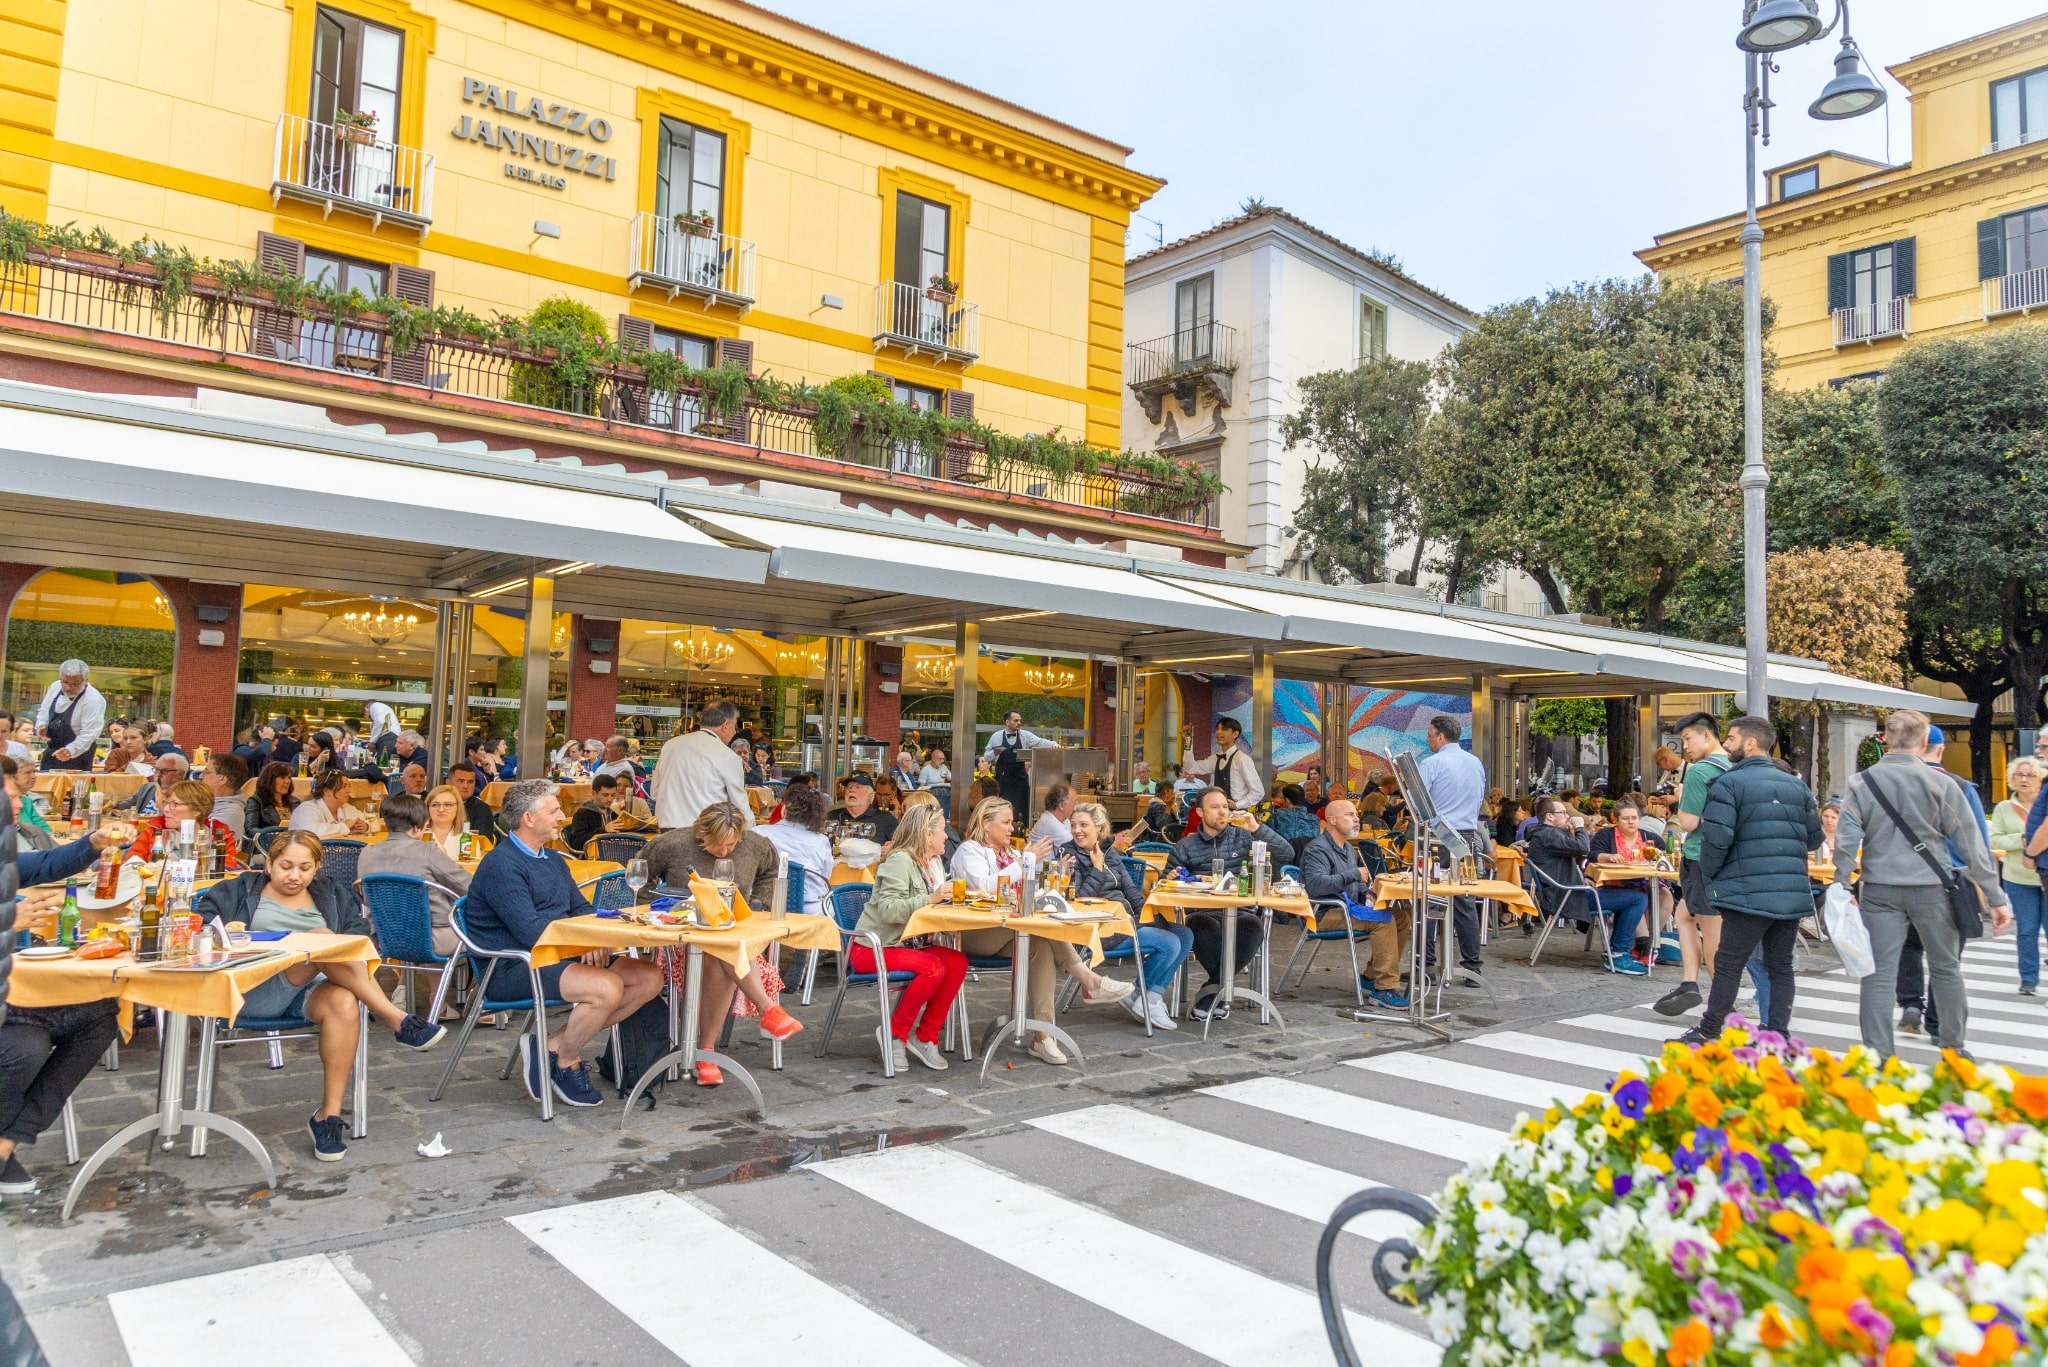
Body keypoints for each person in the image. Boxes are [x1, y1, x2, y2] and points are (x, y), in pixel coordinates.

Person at [196, 831, 447, 1160]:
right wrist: (226, 933)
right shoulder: (237, 890)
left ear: (316, 868)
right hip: (254, 989)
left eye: (304, 867)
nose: (294, 875)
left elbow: (359, 936)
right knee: (318, 939)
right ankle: (398, 1020)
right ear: (268, 864)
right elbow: (200, 926)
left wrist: (330, 939)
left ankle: (327, 1117)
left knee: (343, 998)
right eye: (285, 866)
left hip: (309, 988)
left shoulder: (330, 893)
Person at [463, 781, 667, 1106]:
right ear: (529, 819)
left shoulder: (553, 859)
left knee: (650, 977)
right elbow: (530, 930)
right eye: (554, 810)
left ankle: (551, 1044)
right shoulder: (501, 864)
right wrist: (583, 944)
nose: (562, 816)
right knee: (607, 988)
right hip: (515, 965)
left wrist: (594, 937)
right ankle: (566, 1060)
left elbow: (581, 908)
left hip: (558, 956)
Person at [1833, 709, 2010, 1063]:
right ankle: (1953, 1048)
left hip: (1879, 889)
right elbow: (1971, 842)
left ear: (1885, 738)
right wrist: (1995, 896)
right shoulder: (1942, 784)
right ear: (1925, 741)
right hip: (1932, 888)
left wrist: (1840, 886)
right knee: (1946, 968)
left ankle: (1878, 1055)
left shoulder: (1860, 784)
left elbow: (1845, 840)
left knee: (1879, 974)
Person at [1674, 716, 1824, 1046]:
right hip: (1789, 890)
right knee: (1780, 965)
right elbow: (1815, 838)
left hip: (1747, 890)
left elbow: (1717, 839)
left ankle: (1709, 1029)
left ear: (1750, 743)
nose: (1726, 744)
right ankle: (1777, 1033)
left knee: (1729, 962)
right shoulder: (1796, 785)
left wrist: (1713, 876)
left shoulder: (1729, 784)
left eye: (1730, 738)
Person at [948, 796, 1130, 1064]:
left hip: (1010, 928)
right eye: (1006, 823)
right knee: (1040, 929)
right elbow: (986, 887)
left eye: (1012, 822)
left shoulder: (1012, 854)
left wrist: (1054, 874)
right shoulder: (970, 851)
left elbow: (1034, 890)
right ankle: (1088, 980)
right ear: (987, 824)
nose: (1012, 828)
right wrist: (1026, 863)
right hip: (977, 930)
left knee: (1041, 943)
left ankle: (1042, 1037)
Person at [638, 801, 803, 1081]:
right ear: (700, 833)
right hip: (682, 936)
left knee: (720, 952)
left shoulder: (755, 844)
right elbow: (641, 870)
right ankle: (765, 1012)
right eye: (716, 846)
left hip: (730, 936)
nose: (724, 852)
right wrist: (654, 906)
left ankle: (705, 1049)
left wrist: (758, 903)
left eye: (730, 846)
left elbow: (771, 871)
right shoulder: (674, 843)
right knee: (723, 949)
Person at [1893, 723, 1992, 1036]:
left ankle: (1910, 1003)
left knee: (1908, 945)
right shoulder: (1960, 787)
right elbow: (1977, 842)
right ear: (1939, 748)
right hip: (1950, 881)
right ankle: (1938, 1024)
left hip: (1901, 879)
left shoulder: (1891, 785)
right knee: (1946, 957)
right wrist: (1990, 890)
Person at [857, 802, 971, 1072]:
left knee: (957, 963)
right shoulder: (900, 861)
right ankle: (894, 1034)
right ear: (926, 834)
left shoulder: (930, 864)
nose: (947, 836)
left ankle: (925, 1036)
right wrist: (931, 898)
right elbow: (888, 910)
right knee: (933, 968)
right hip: (874, 948)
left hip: (908, 945)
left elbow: (927, 909)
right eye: (942, 830)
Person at [1168, 787, 1296, 1021]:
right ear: (1200, 812)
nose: (1221, 812)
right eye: (1214, 807)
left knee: (1253, 926)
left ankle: (1212, 991)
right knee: (1201, 925)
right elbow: (1166, 884)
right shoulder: (1185, 846)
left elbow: (1287, 854)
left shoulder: (1245, 837)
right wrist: (1172, 877)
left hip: (1241, 910)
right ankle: (1218, 993)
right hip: (1203, 911)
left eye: (1225, 807)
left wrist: (1256, 828)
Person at [1064, 801, 1187, 1030]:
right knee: (1169, 943)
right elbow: (1077, 899)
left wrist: (1146, 916)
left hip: (1128, 920)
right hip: (1102, 927)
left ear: (1099, 828)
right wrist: (1097, 870)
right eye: (1073, 825)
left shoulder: (1110, 853)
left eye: (1083, 825)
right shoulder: (1069, 854)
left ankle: (1146, 997)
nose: (1077, 830)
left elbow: (1130, 890)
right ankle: (1144, 996)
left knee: (1184, 934)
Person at [1652, 712, 1731, 1017]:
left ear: (1707, 735)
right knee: (1685, 914)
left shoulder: (1700, 771)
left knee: (1711, 930)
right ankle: (1688, 982)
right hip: (1725, 857)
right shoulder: (1734, 767)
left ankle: (1721, 1004)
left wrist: (1683, 797)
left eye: (1688, 738)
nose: (1684, 746)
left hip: (1701, 857)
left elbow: (1688, 821)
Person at [1300, 796, 1412, 1009]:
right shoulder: (1318, 848)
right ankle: (1384, 989)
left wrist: (1366, 893)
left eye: (1356, 814)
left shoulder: (1348, 848)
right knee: (1383, 920)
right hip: (1322, 913)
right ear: (1332, 820)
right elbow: (1315, 885)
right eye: (1350, 815)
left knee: (1401, 917)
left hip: (1347, 907)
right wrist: (1353, 875)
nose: (1357, 819)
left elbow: (1355, 883)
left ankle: (1371, 976)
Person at [1418, 714, 1489, 983]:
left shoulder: (1432, 763)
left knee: (1430, 896)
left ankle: (1426, 966)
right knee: (1464, 899)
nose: (1428, 739)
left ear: (1440, 736)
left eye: (1429, 734)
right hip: (1468, 836)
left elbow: (1419, 803)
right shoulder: (1475, 763)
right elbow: (1478, 797)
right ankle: (1472, 967)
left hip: (1438, 835)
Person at [355, 793, 471, 958]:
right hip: (434, 938)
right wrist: (444, 857)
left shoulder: (366, 853)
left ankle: (404, 983)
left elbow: (368, 898)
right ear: (417, 827)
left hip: (385, 936)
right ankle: (474, 983)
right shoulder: (427, 851)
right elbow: (469, 887)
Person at [650, 700, 752, 832]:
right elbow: (740, 805)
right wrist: (753, 835)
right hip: (706, 834)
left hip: (667, 831)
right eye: (734, 727)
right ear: (725, 725)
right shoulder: (728, 756)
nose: (734, 733)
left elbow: (654, 793)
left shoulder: (671, 745)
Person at [1991, 756, 2045, 993]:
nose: (2024, 779)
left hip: (2044, 874)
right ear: (2012, 779)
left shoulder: (2044, 803)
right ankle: (2028, 979)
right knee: (2026, 929)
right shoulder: (2004, 807)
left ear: (2040, 779)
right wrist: (2022, 840)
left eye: (2030, 775)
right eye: (2019, 775)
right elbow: (1994, 839)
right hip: (2018, 878)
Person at [1587, 798, 1657, 974]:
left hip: (1641, 881)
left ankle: (1644, 946)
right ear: (1615, 820)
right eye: (1626, 818)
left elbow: (1662, 852)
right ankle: (1621, 952)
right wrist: (1607, 856)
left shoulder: (1648, 837)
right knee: (1636, 899)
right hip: (1608, 886)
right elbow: (1593, 854)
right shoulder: (1606, 835)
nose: (1631, 821)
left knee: (1661, 895)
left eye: (1634, 817)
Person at [127, 780, 241, 867]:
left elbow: (227, 874)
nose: (166, 809)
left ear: (197, 810)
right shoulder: (154, 830)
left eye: (174, 804)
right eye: (166, 803)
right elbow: (130, 864)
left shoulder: (220, 837)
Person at [759, 781, 832, 916]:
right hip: (810, 913)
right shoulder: (821, 841)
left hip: (764, 909)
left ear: (783, 809)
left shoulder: (758, 833)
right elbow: (825, 877)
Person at [982, 710, 1057, 819]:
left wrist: (1054, 744)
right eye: (1016, 720)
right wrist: (995, 752)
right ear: (1007, 722)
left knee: (1022, 810)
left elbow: (1040, 742)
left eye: (1020, 720)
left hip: (1020, 781)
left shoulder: (1025, 735)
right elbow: (986, 757)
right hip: (1002, 781)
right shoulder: (996, 736)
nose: (1019, 723)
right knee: (1002, 810)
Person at [32, 660, 104, 772]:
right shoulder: (55, 687)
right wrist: (42, 724)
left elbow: (90, 733)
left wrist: (70, 750)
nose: (68, 687)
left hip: (79, 756)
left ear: (85, 681)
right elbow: (44, 710)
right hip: (52, 750)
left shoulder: (93, 700)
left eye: (75, 684)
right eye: (65, 682)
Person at [1180, 716, 1262, 811]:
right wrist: (1188, 741)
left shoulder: (1242, 759)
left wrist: (1237, 805)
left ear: (1235, 734)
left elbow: (1258, 792)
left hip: (1238, 814)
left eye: (1224, 729)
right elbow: (1190, 769)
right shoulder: (1216, 758)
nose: (1218, 732)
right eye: (1217, 729)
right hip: (1220, 811)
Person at [561, 772, 650, 855]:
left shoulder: (612, 814)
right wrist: (603, 830)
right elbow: (576, 843)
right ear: (593, 794)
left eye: (613, 795)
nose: (610, 799)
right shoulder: (583, 814)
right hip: (591, 858)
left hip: (613, 854)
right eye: (605, 795)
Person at [290, 770, 369, 838]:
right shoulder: (306, 809)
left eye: (349, 786)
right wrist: (345, 826)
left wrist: (365, 826)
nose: (349, 791)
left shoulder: (346, 808)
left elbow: (373, 821)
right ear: (326, 791)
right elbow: (312, 833)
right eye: (344, 787)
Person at [827, 772, 898, 844]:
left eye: (858, 787)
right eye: (849, 786)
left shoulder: (886, 820)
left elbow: (902, 847)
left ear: (870, 794)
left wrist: (891, 848)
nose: (852, 790)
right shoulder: (831, 817)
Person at [114, 751, 190, 818]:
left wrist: (162, 805)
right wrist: (113, 804)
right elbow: (123, 806)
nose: (158, 774)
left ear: (180, 774)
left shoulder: (187, 795)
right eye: (156, 770)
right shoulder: (147, 788)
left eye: (165, 771)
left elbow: (177, 821)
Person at [423, 784, 484, 860]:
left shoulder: (469, 839)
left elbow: (472, 869)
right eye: (435, 805)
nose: (441, 809)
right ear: (427, 808)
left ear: (458, 808)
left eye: (448, 805)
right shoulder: (416, 836)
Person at [201, 753, 250, 838]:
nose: (201, 776)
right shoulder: (205, 802)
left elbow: (204, 842)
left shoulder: (231, 813)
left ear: (222, 779)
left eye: (206, 772)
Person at [446, 762, 496, 837]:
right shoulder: (436, 805)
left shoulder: (481, 809)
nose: (466, 786)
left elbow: (482, 841)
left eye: (470, 782)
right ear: (448, 783)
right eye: (461, 781)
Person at [249, 761, 299, 835]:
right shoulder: (256, 801)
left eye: (289, 777)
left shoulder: (296, 802)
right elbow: (251, 830)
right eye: (282, 777)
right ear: (269, 779)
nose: (287, 781)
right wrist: (273, 831)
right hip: (268, 843)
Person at [1268, 783, 1322, 850]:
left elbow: (1267, 839)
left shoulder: (1276, 816)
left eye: (1283, 798)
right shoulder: (1315, 819)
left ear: (1287, 801)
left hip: (1284, 857)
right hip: (1307, 857)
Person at [1030, 781, 1076, 848]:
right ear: (1062, 806)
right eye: (1074, 802)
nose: (1076, 805)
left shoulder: (1064, 820)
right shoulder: (1050, 822)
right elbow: (1075, 847)